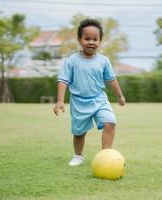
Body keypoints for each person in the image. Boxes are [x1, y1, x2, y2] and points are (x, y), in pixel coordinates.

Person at [53, 19, 126, 167]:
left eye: (95, 39)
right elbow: (63, 80)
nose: (91, 42)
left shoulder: (104, 61)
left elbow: (111, 79)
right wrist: (60, 101)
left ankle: (105, 156)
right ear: (80, 39)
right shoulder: (72, 61)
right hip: (79, 102)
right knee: (79, 133)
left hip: (99, 100)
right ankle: (78, 156)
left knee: (110, 122)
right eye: (87, 39)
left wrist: (120, 96)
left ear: (100, 41)